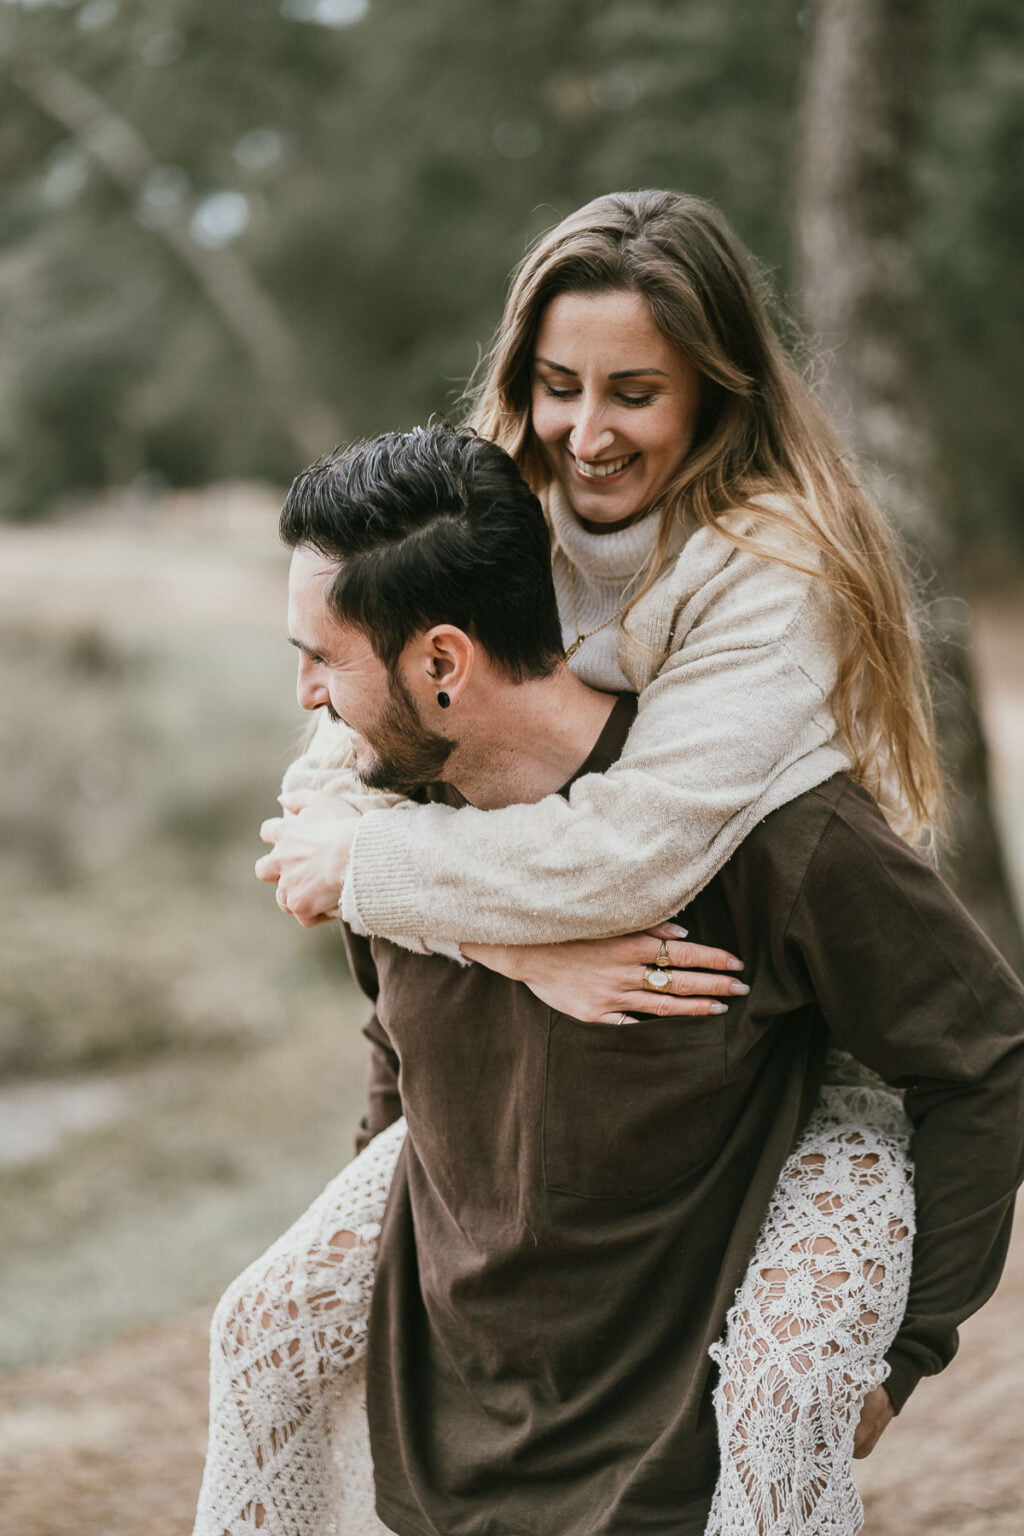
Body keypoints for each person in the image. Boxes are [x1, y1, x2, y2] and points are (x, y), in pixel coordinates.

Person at [196, 189, 946, 1534]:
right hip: (558, 955)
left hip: (797, 1039)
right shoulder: (496, 503)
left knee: (775, 1403)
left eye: (635, 393)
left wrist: (912, 1350)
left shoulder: (774, 574)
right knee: (261, 1327)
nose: (586, 433)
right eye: (556, 386)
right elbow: (346, 763)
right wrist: (498, 938)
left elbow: (635, 853)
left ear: (715, 397)